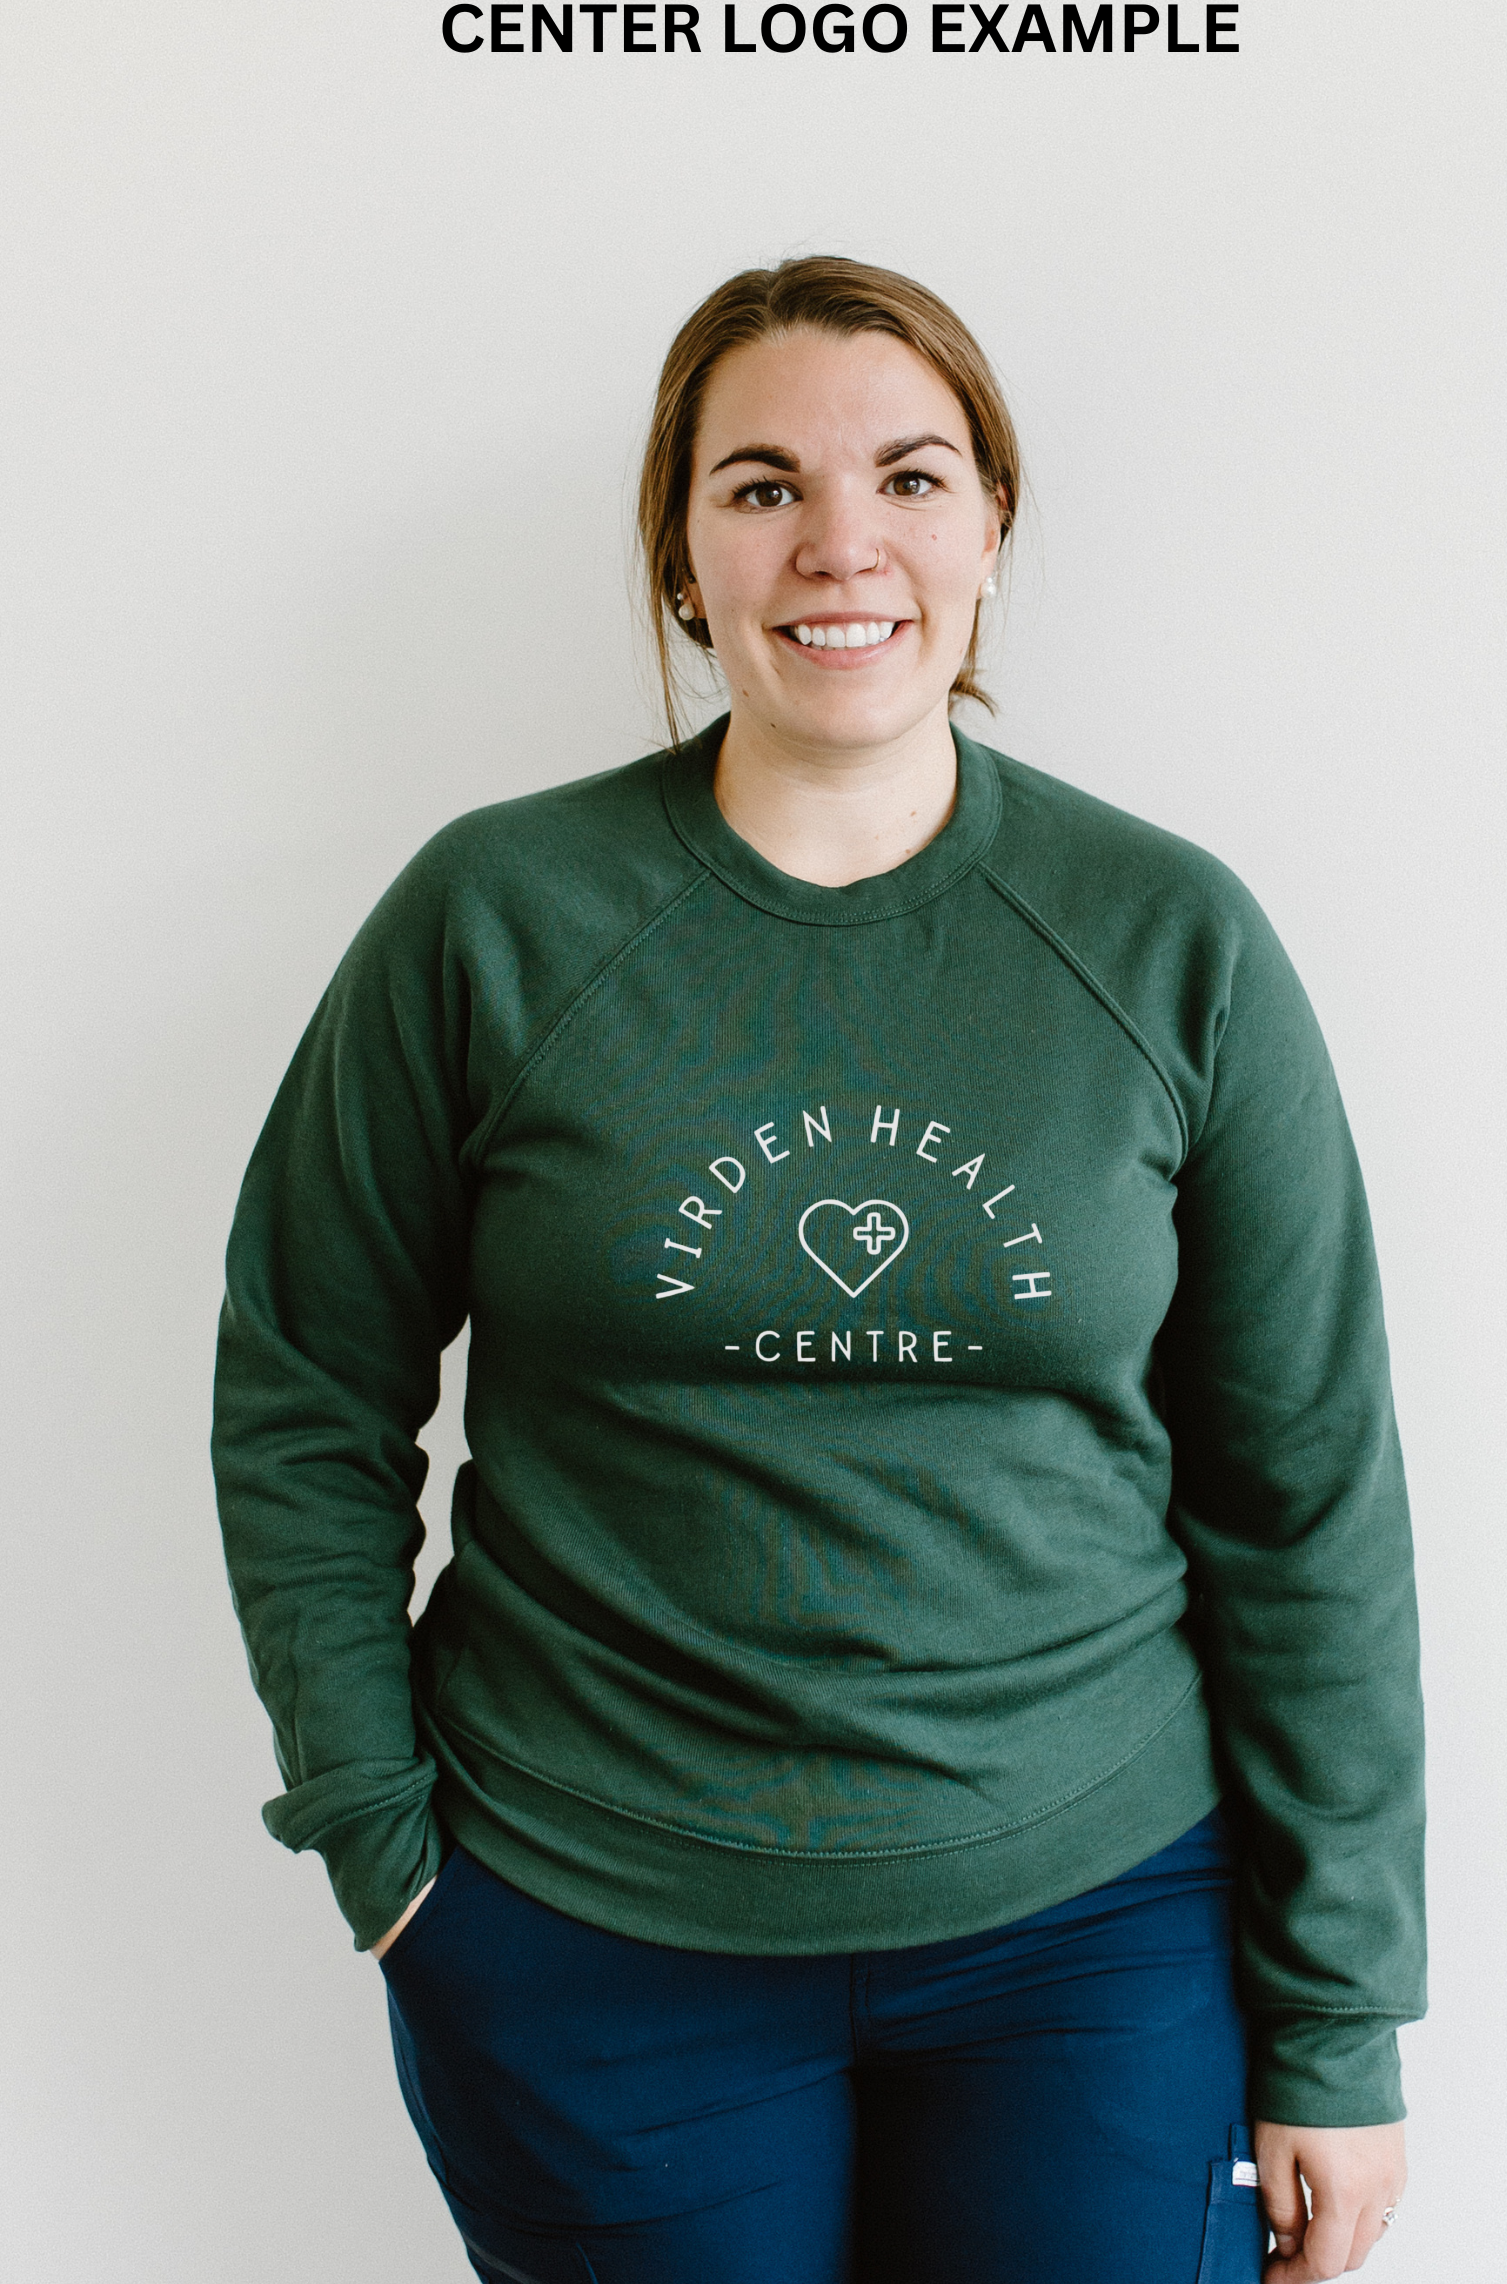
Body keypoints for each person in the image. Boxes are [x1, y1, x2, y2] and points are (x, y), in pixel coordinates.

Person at [212, 255, 1424, 2284]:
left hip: (1100, 1928)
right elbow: (305, 1389)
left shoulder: (1169, 939)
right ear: (680, 556)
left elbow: (1308, 1496)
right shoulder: (494, 918)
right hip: (588, 1931)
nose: (840, 543)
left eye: (911, 478)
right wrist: (381, 1841)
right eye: (762, 485)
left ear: (991, 527)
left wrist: (1338, 2014)